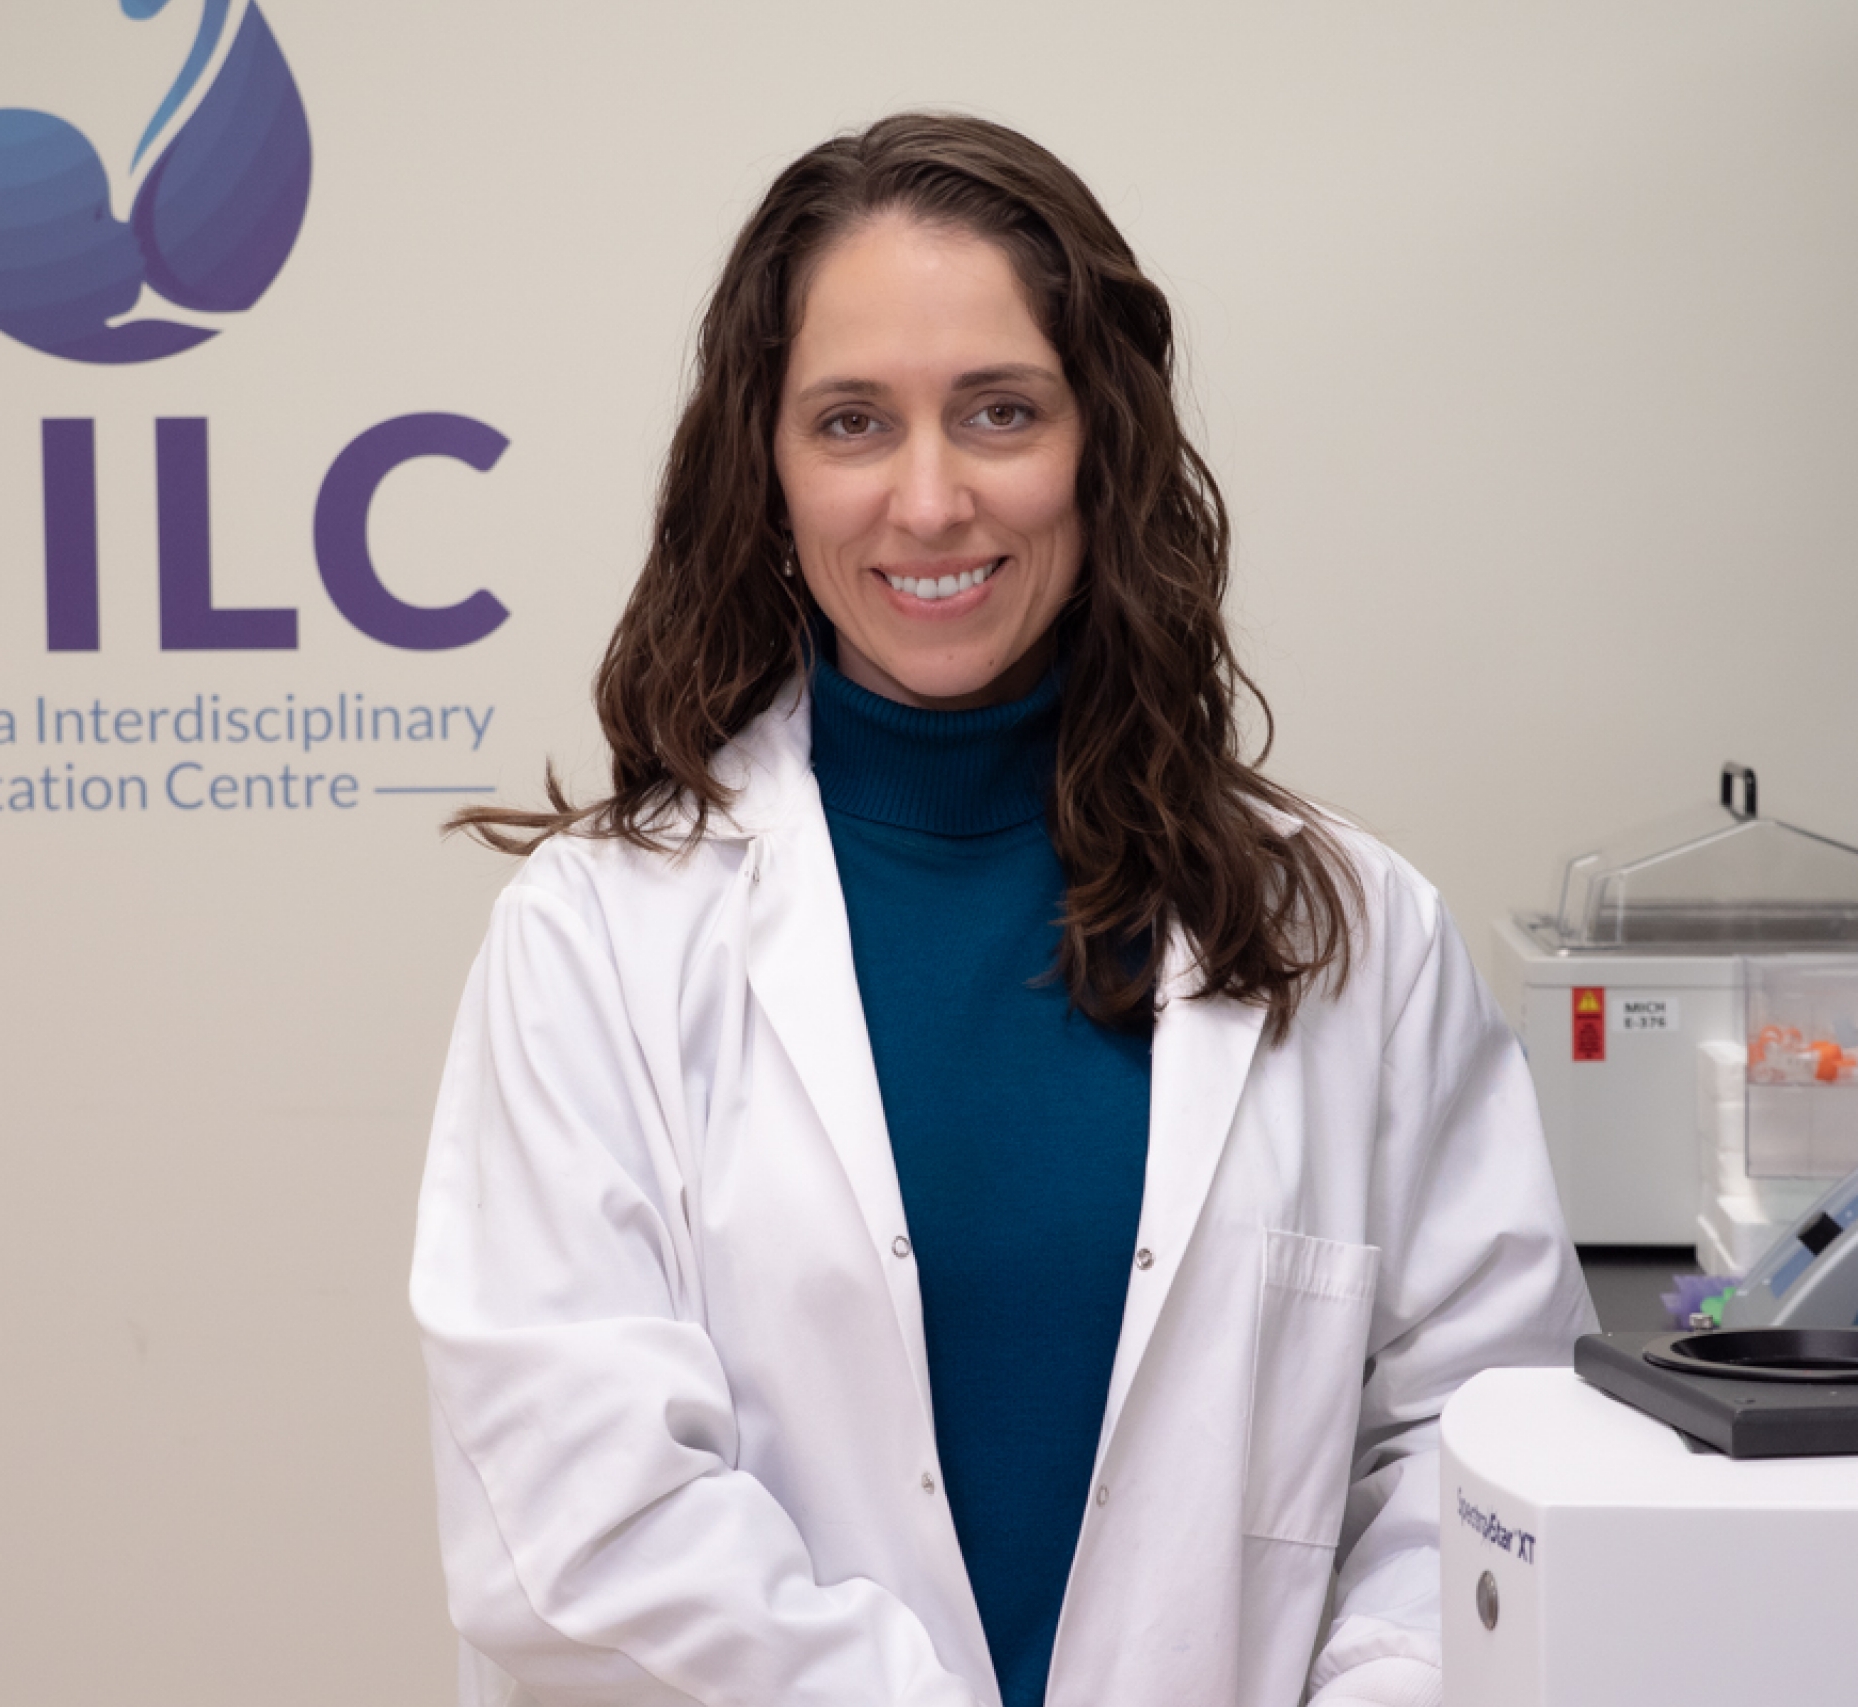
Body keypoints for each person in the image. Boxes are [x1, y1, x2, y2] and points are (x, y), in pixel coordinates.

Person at [409, 112, 1593, 1707]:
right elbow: (575, 1533)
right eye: (850, 422)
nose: (929, 499)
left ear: (1102, 444)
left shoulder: (1347, 932)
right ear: (763, 469)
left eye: (999, 411)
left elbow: (1479, 1445)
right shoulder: (598, 941)